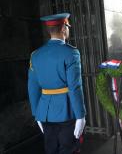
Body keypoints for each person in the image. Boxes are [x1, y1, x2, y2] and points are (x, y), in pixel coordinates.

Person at [28, 13, 86, 154]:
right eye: (67, 26)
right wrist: (80, 115)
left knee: (51, 150)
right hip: (67, 111)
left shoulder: (35, 55)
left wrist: (37, 114)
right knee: (69, 149)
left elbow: (32, 87)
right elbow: (74, 87)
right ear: (63, 29)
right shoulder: (71, 53)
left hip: (45, 113)